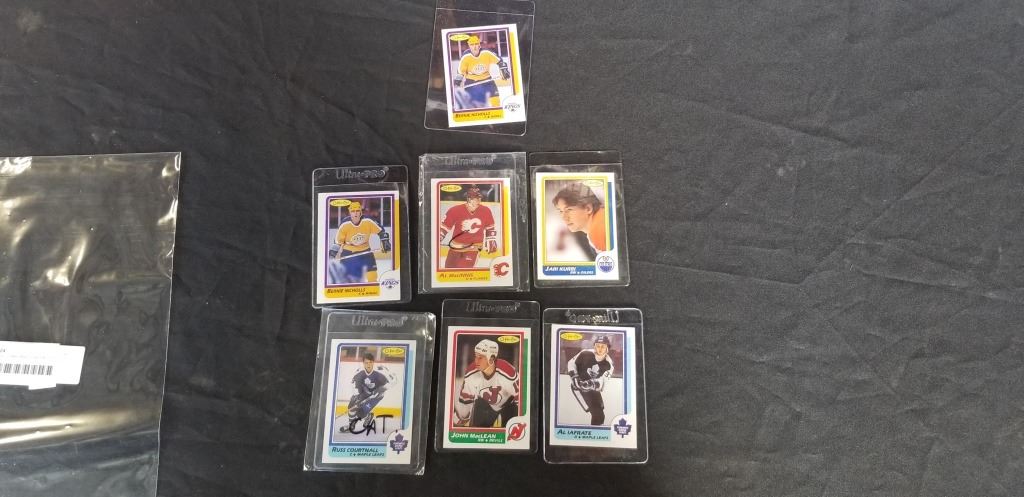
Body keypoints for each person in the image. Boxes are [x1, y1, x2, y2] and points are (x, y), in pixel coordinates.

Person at [454, 339, 519, 428]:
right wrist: (459, 419)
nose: (476, 361)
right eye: (476, 356)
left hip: (508, 406)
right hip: (485, 407)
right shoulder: (471, 373)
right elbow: (465, 404)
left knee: (513, 423)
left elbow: (521, 400)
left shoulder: (508, 372)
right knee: (479, 406)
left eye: (480, 357)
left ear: (491, 359)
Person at [439, 186, 497, 269]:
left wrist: (491, 239)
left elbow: (490, 227)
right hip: (456, 247)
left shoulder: (486, 211)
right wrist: (439, 237)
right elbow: (445, 226)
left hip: (473, 247)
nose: (478, 200)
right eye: (475, 198)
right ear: (468, 199)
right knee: (449, 269)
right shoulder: (455, 210)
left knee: (464, 269)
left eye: (479, 198)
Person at [333, 201, 391, 283]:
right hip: (348, 252)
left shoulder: (368, 221)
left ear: (360, 212)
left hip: (365, 251)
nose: (355, 213)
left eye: (357, 211)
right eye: (353, 211)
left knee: (372, 276)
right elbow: (337, 242)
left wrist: (385, 242)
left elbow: (381, 231)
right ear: (350, 213)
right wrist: (333, 252)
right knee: (347, 279)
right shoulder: (344, 224)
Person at [454, 35, 510, 109]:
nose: (474, 47)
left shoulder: (486, 53)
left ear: (479, 45)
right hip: (471, 82)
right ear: (469, 46)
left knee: (496, 102)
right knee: (473, 106)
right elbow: (460, 72)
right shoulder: (465, 57)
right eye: (472, 45)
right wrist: (458, 81)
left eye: (476, 44)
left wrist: (504, 70)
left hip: (487, 80)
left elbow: (500, 62)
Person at [552, 183, 606, 261]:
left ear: (588, 208)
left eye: (569, 210)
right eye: (561, 211)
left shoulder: (598, 231)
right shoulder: (600, 220)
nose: (564, 217)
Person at [567, 335, 614, 425]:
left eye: (603, 346)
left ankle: (594, 432)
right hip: (579, 387)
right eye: (598, 346)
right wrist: (574, 377)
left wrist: (592, 383)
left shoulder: (609, 364)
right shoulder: (585, 353)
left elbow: (603, 380)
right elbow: (571, 363)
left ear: (607, 348)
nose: (600, 349)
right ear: (594, 346)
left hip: (592, 388)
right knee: (598, 415)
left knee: (600, 414)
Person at [341, 352, 391, 433]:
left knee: (360, 413)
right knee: (351, 407)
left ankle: (368, 416)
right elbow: (354, 385)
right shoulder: (359, 372)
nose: (368, 365)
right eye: (366, 363)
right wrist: (356, 396)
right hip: (364, 393)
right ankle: (351, 426)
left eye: (370, 362)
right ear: (363, 363)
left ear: (373, 362)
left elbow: (394, 380)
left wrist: (382, 388)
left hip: (376, 396)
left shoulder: (380, 371)